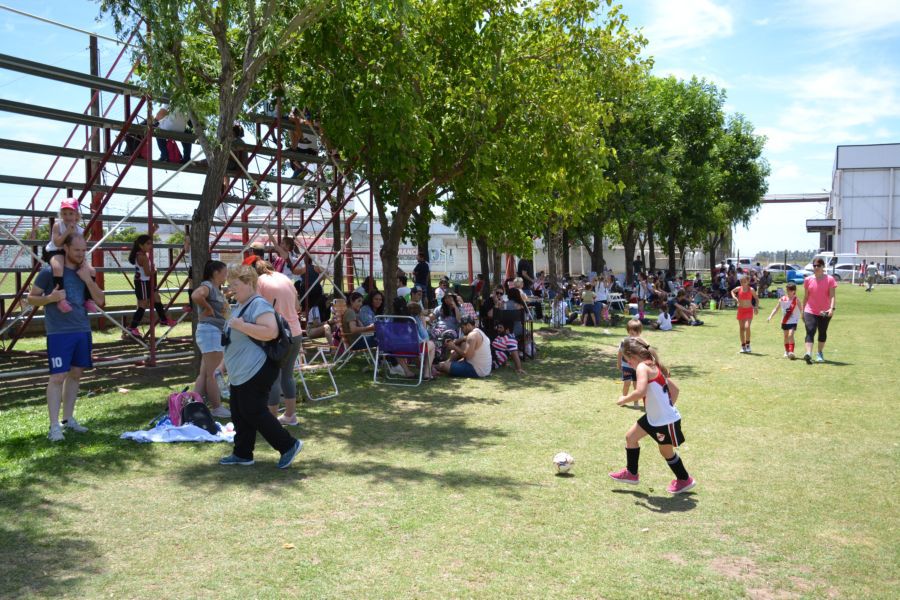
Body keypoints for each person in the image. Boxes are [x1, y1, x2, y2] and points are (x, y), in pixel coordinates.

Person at [218, 265, 303, 468]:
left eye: (235, 284)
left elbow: (271, 332)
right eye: (230, 284)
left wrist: (242, 326)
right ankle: (242, 453)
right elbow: (232, 339)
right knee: (239, 411)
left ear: (249, 283)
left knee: (254, 410)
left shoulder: (258, 304)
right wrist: (222, 365)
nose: (231, 288)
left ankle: (288, 445)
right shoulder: (241, 305)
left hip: (256, 368)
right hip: (241, 371)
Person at [28, 233, 105, 441]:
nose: (80, 254)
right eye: (76, 250)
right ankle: (54, 426)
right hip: (59, 333)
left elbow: (100, 300)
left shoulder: (85, 272)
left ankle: (68, 419)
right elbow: (31, 298)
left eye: (83, 251)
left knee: (76, 375)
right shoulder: (49, 273)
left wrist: (88, 281)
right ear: (67, 250)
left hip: (82, 329)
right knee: (57, 377)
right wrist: (51, 298)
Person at [609, 338, 696, 494]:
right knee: (631, 437)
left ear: (633, 356)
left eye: (628, 360)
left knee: (666, 452)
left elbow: (640, 391)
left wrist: (624, 399)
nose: (629, 364)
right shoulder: (653, 364)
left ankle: (684, 479)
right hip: (654, 417)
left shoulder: (642, 367)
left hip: (663, 420)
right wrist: (663, 407)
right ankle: (631, 473)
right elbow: (675, 390)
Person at [253, 261, 305, 426]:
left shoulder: (259, 281)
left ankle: (271, 420)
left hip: (276, 334)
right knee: (287, 376)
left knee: (273, 377)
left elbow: (255, 307)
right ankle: (290, 416)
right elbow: (297, 306)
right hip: (295, 332)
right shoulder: (286, 279)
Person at [190, 260, 231, 418]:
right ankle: (216, 407)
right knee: (214, 373)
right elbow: (196, 295)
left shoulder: (215, 288)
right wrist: (207, 308)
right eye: (224, 272)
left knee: (204, 373)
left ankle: (195, 404)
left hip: (210, 332)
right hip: (211, 332)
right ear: (215, 273)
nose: (226, 276)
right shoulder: (207, 286)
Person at [43, 198, 99, 314]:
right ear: (61, 214)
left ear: (76, 215)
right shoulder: (58, 225)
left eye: (70, 213)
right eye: (64, 213)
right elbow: (57, 242)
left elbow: (80, 245)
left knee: (91, 270)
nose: (67, 217)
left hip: (70, 253)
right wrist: (67, 232)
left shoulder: (79, 230)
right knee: (58, 268)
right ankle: (61, 299)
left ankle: (88, 299)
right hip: (55, 250)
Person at [126, 234, 177, 336]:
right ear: (141, 245)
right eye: (148, 244)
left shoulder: (141, 254)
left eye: (151, 244)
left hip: (146, 282)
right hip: (143, 282)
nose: (150, 246)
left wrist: (153, 230)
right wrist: (154, 271)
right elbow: (147, 273)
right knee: (143, 305)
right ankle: (132, 327)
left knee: (157, 298)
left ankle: (163, 319)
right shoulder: (142, 256)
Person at [802, 257, 837, 364]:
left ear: (823, 267)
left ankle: (819, 353)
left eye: (818, 266)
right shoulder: (808, 280)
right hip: (810, 310)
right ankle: (808, 353)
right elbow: (806, 297)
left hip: (825, 311)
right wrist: (803, 311)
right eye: (814, 266)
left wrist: (831, 308)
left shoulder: (830, 279)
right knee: (810, 330)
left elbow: (832, 296)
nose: (816, 267)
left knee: (822, 332)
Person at [767, 281, 802, 359]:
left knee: (790, 335)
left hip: (793, 321)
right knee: (786, 336)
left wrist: (804, 318)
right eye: (787, 290)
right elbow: (776, 308)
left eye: (790, 290)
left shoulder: (796, 300)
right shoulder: (782, 299)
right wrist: (770, 316)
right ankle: (786, 351)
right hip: (785, 321)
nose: (788, 292)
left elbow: (801, 310)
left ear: (794, 291)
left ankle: (791, 351)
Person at [617, 319, 645, 409]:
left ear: (639, 332)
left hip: (637, 367)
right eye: (631, 332)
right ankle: (623, 399)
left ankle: (635, 401)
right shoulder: (625, 341)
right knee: (627, 383)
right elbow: (620, 352)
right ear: (628, 331)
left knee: (636, 384)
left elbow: (643, 353)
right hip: (626, 365)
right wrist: (619, 363)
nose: (633, 334)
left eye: (636, 332)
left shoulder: (641, 342)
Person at [406, 303, 436, 380]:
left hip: (399, 349)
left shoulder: (398, 319)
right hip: (415, 348)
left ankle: (410, 371)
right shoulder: (416, 320)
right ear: (419, 312)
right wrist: (423, 324)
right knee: (431, 344)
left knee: (416, 349)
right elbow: (425, 337)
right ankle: (426, 374)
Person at [732, 275, 759, 353]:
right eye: (741, 282)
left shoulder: (751, 290)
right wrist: (735, 298)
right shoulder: (738, 288)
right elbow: (732, 291)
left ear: (748, 282)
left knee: (747, 327)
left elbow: (757, 299)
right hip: (741, 310)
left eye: (744, 282)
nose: (742, 283)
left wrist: (756, 307)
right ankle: (743, 346)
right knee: (741, 328)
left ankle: (748, 345)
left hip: (749, 310)